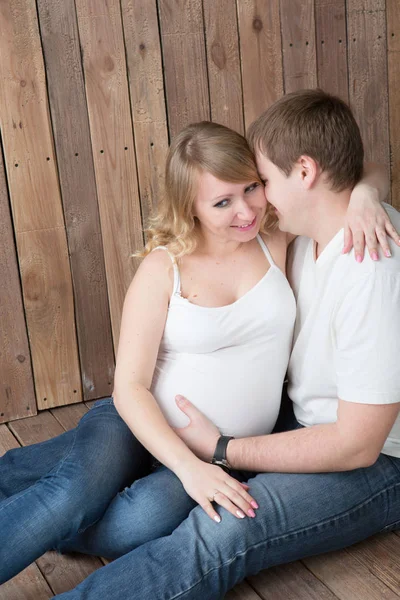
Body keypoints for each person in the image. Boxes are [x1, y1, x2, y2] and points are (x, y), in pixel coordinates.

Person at [0, 116, 396, 588]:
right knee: (69, 493)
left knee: (141, 521)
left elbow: (352, 173)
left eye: (253, 187)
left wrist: (368, 196)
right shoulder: (164, 267)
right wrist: (189, 467)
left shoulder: (275, 236)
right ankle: (53, 510)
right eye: (222, 202)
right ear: (191, 207)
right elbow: (129, 387)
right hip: (141, 419)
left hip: (219, 447)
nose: (246, 210)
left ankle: (60, 518)